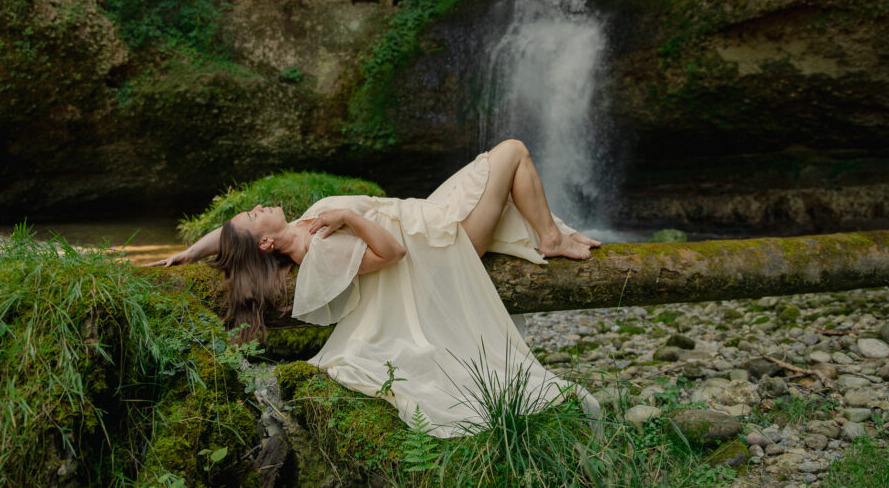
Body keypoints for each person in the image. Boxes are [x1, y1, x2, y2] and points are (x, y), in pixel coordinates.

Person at [148, 139, 602, 437]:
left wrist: (193, 250)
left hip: (431, 216)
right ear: (265, 241)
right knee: (512, 151)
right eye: (253, 214)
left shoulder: (302, 228)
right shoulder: (317, 251)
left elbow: (234, 236)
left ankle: (551, 232)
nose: (258, 205)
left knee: (506, 158)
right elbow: (392, 253)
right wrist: (348, 218)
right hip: (446, 239)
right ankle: (551, 238)